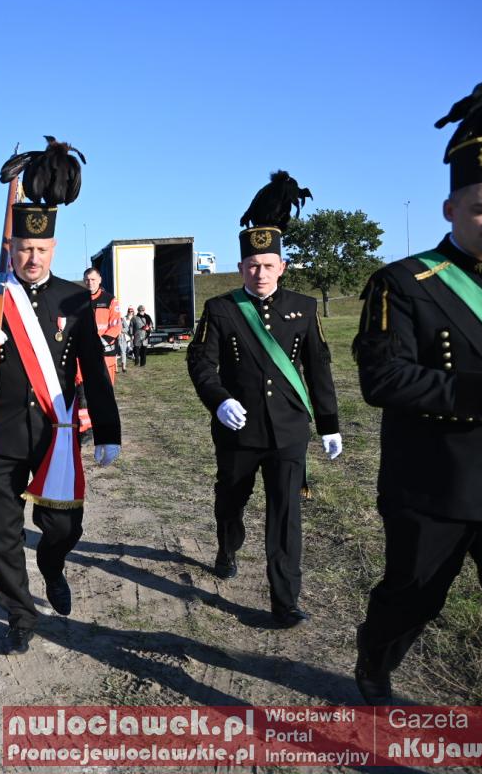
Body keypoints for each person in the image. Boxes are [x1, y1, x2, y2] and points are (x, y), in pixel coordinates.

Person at [352, 70, 482, 762]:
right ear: (450, 208)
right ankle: (375, 655)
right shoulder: (403, 283)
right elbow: (383, 378)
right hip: (434, 487)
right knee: (411, 601)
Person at [0, 141, 120, 655]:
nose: (31, 259)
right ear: (12, 248)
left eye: (41, 251)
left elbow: (93, 368)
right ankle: (19, 614)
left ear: (53, 250)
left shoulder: (74, 297)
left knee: (63, 526)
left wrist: (109, 431)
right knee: (1, 531)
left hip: (55, 433)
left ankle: (52, 566)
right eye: (24, 250)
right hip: (0, 432)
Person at [186, 171, 341, 628]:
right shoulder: (221, 309)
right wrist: (219, 400)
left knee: (286, 515)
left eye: (268, 265)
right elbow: (201, 362)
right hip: (238, 429)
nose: (260, 273)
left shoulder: (303, 308)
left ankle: (285, 598)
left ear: (282, 267)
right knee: (231, 500)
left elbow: (319, 368)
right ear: (241, 268)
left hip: (289, 430)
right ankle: (227, 546)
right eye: (252, 266)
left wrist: (329, 424)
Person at [83, 267, 121, 387]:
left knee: (106, 390)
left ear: (100, 280)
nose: (90, 282)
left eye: (93, 279)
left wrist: (100, 342)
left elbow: (116, 326)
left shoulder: (110, 300)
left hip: (105, 354)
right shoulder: (78, 301)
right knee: (85, 391)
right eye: (87, 280)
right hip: (85, 353)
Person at [119, 306, 133, 373]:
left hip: (121, 337)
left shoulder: (121, 319)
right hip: (112, 337)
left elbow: (127, 328)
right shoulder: (110, 319)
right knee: (114, 354)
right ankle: (114, 368)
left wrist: (120, 330)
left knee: (123, 352)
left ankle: (123, 367)